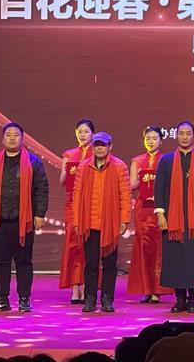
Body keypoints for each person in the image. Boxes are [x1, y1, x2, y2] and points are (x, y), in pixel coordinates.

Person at [0, 122, 48, 313]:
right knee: (1, 262)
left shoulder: (33, 162)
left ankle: (24, 299)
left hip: (24, 221)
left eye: (16, 135)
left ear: (22, 139)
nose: (11, 138)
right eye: (8, 135)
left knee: (23, 262)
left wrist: (39, 214)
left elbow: (41, 190)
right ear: (2, 139)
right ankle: (2, 299)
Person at [154, 121, 194, 313]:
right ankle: (179, 299)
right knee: (176, 259)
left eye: (188, 133)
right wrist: (160, 214)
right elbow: (159, 189)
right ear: (176, 135)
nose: (184, 137)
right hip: (173, 219)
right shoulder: (166, 161)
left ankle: (193, 300)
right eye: (181, 133)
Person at [72, 131, 131, 312]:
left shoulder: (119, 166)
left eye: (103, 145)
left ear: (110, 147)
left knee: (109, 264)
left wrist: (125, 219)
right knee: (90, 264)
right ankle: (90, 298)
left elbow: (125, 195)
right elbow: (77, 195)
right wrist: (76, 220)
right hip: (89, 223)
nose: (99, 148)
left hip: (110, 224)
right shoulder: (83, 167)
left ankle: (107, 298)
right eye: (97, 145)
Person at [128, 126, 168, 303]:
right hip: (143, 210)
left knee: (160, 248)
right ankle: (147, 289)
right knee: (144, 248)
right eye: (148, 138)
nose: (151, 141)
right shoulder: (137, 161)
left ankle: (158, 289)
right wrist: (139, 177)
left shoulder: (166, 160)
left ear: (161, 140)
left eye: (154, 138)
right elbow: (131, 186)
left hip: (160, 209)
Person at [59, 118, 94, 303]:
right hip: (72, 204)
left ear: (92, 134)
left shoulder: (97, 153)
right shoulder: (69, 154)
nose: (82, 134)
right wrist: (68, 170)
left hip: (91, 204)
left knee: (88, 245)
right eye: (80, 131)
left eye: (86, 131)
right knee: (73, 245)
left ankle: (87, 287)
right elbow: (62, 181)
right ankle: (75, 288)